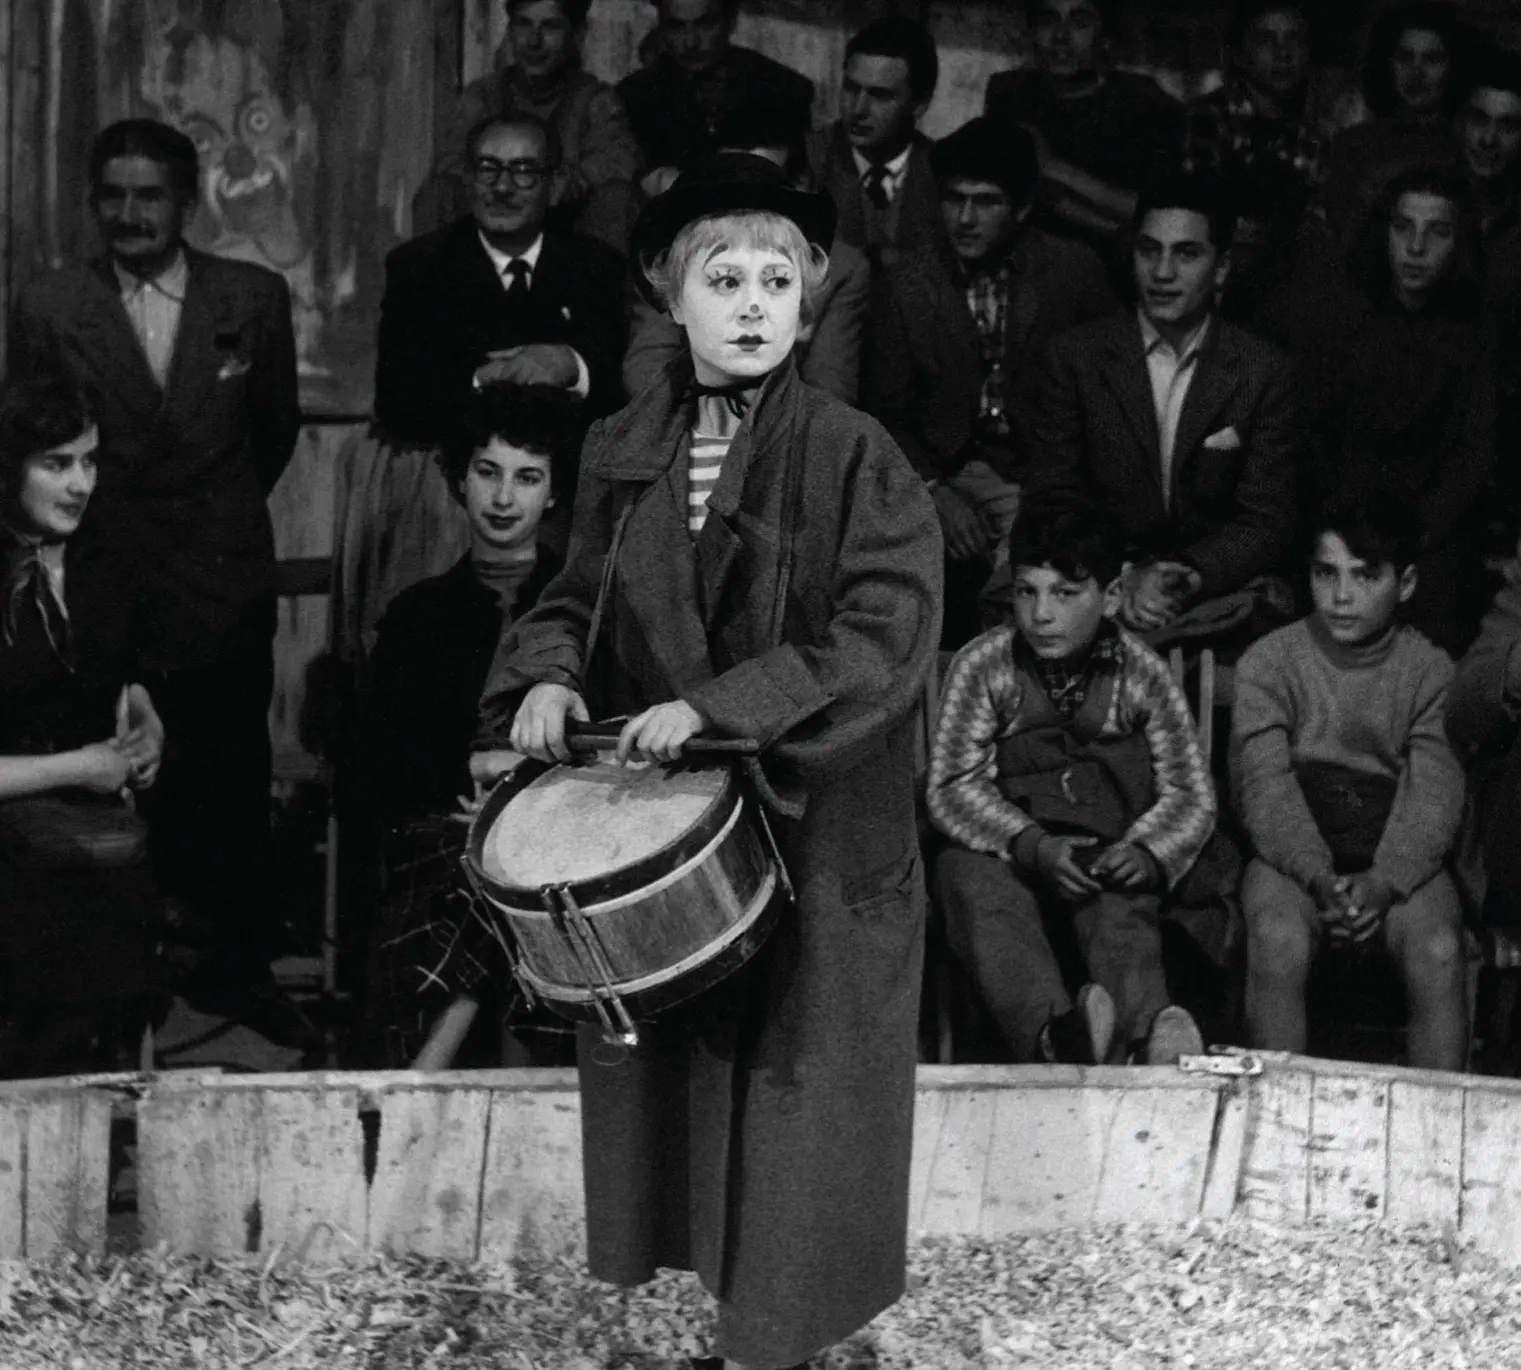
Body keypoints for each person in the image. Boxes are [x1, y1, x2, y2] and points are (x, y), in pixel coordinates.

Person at [474, 153, 941, 1370]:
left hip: (817, 830)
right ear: (667, 295)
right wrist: (549, 673)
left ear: (810, 299)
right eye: (722, 279)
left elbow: (884, 636)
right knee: (683, 1099)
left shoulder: (855, 453)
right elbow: (573, 593)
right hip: (679, 837)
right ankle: (739, 1336)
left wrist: (717, 708)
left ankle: (771, 1347)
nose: (751, 306)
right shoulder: (623, 446)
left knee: (796, 1113)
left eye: (777, 281)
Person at [8, 119, 308, 1047]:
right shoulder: (53, 303)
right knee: (111, 779)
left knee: (227, 781)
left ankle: (234, 971)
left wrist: (207, 530)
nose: (129, 213)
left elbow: (272, 432)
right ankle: (110, 989)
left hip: (217, 585)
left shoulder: (250, 297)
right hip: (95, 584)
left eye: (149, 196)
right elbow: (34, 434)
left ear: (187, 201)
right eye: (113, 195)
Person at [928, 505, 1215, 1066]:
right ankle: (1055, 1039)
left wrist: (1146, 851)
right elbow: (953, 784)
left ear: (1111, 597)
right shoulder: (984, 665)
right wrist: (1032, 845)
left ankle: (1144, 1042)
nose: (1041, 614)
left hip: (1101, 847)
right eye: (1026, 592)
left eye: (1064, 593)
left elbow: (1189, 793)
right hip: (1006, 849)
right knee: (970, 884)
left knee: (1120, 909)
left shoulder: (1142, 674)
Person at [360, 383, 576, 1070]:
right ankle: (437, 1075)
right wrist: (472, 771)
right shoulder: (417, 615)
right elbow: (383, 759)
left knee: (526, 882)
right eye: (488, 473)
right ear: (460, 480)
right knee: (468, 877)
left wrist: (517, 791)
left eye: (527, 478)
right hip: (444, 825)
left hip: (559, 827)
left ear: (554, 494)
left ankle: (424, 1080)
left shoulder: (580, 610)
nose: (504, 498)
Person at [353, 113, 626, 656]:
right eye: (488, 168)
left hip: (566, 509)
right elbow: (398, 399)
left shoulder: (596, 266)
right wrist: (484, 377)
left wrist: (570, 365)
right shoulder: (419, 266)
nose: (503, 186)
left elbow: (619, 395)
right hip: (453, 507)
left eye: (523, 171)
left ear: (553, 184)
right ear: (467, 178)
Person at [1231, 494, 1466, 1071]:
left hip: (1396, 854)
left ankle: (1436, 1118)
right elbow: (1264, 787)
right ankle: (1276, 1109)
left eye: (1365, 576)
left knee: (1438, 950)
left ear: (1405, 583)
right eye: (1325, 573)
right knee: (1277, 936)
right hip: (1295, 856)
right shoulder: (1270, 661)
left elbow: (1434, 795)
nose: (1341, 596)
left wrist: (1384, 882)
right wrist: (1317, 876)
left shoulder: (1430, 671)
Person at [863, 117, 1115, 647]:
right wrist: (934, 490)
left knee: (1036, 572)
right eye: (955, 199)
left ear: (1021, 209)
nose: (966, 218)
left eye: (986, 202)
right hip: (945, 467)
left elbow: (1101, 405)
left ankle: (1007, 678)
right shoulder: (907, 285)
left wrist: (1047, 492)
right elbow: (886, 413)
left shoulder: (1074, 274)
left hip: (1042, 470)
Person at [1024, 174, 1301, 649]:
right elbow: (1054, 498)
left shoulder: (1263, 371)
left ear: (1221, 267)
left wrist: (1187, 575)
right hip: (1100, 577)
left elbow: (1265, 520)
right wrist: (1124, 574)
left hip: (1208, 586)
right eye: (1149, 251)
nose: (1162, 272)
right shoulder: (1075, 359)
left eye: (1186, 254)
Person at [0, 381, 166, 1079]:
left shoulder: (101, 557)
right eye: (56, 463)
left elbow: (117, 673)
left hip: (82, 818)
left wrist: (146, 718)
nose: (80, 484)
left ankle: (99, 1093)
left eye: (90, 461)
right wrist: (80, 767)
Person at [1298, 165, 1495, 656]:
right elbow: (1313, 445)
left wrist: (1409, 539)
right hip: (1338, 531)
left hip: (1428, 547)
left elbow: (1472, 460)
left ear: (1460, 242)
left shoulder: (1478, 343)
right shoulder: (1340, 326)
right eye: (1403, 227)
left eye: (1437, 231)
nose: (1416, 247)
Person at [622, 100, 871, 404]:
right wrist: (711, 419)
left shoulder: (841, 269)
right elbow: (646, 370)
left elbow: (830, 391)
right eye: (726, 190)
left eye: (761, 194)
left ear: (799, 185)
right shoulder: (672, 257)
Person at [415, 0, 641, 251]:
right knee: (437, 193)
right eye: (524, 24)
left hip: (566, 237)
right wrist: (502, 180)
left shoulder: (594, 100)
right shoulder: (484, 96)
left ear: (576, 33)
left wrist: (555, 184)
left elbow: (617, 163)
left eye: (550, 27)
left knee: (616, 199)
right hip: (491, 227)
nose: (534, 41)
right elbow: (450, 159)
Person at [1182, 2, 1358, 320]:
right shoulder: (1207, 118)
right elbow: (1196, 209)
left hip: (1290, 284)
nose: (1283, 53)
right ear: (1240, 53)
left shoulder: (1315, 136)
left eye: (1295, 40)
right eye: (1266, 40)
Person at [984, 0, 1184, 247]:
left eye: (1080, 23)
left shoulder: (1143, 101)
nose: (1061, 36)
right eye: (1048, 21)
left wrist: (1055, 168)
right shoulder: (1010, 93)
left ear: (1105, 35)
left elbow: (1166, 214)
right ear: (1032, 31)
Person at [617, 0, 814, 197]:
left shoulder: (782, 89)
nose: (690, 42)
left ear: (731, 21)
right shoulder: (634, 96)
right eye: (676, 27)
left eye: (705, 25)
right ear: (660, 27)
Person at [1323, 3, 1466, 247]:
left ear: (1452, 68)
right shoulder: (1352, 146)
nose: (1416, 72)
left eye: (1432, 60)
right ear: (1389, 63)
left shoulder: (1467, 149)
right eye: (1405, 57)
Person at [806, 16, 946, 260]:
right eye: (850, 89)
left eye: (880, 95)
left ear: (920, 104)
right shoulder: (808, 160)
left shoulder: (943, 174)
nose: (858, 109)